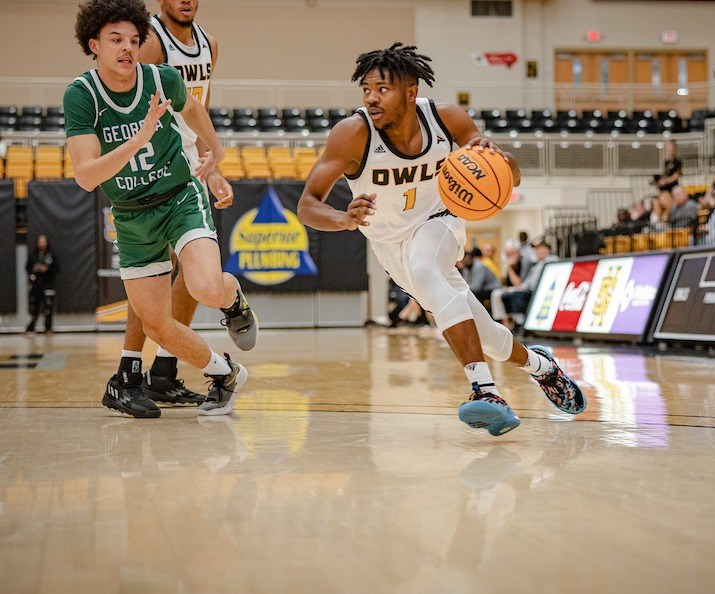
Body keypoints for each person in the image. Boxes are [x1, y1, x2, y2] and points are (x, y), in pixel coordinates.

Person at [297, 43, 586, 436]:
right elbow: (307, 204)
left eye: (382, 89)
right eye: (366, 89)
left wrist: (496, 157)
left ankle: (485, 391)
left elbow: (512, 176)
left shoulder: (446, 118)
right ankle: (541, 366)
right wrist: (343, 219)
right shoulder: (351, 133)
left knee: (426, 265)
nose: (371, 98)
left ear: (410, 91)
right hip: (388, 246)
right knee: (486, 335)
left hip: (440, 221)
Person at [65, 0, 257, 418]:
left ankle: (230, 299)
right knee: (155, 322)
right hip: (132, 213)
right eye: (116, 40)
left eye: (133, 40)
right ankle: (222, 373)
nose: (127, 48)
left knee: (203, 286)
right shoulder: (81, 96)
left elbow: (192, 107)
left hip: (178, 194)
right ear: (93, 44)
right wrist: (137, 139)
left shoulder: (162, 76)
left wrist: (216, 155)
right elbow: (85, 177)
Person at [110, 0, 236, 408]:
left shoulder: (210, 44)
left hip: (187, 166)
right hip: (151, 167)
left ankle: (163, 371)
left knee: (193, 273)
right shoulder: (149, 42)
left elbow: (197, 110)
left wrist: (211, 166)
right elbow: (130, 108)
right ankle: (129, 370)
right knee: (151, 276)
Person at [25, 234, 59, 335]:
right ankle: (31, 328)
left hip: (48, 284)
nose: (42, 244)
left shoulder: (51, 256)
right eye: (40, 241)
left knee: (48, 307)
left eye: (44, 241)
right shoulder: (33, 256)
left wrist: (47, 269)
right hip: (36, 285)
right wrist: (34, 270)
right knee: (34, 308)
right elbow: (27, 268)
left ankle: (48, 328)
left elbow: (56, 269)